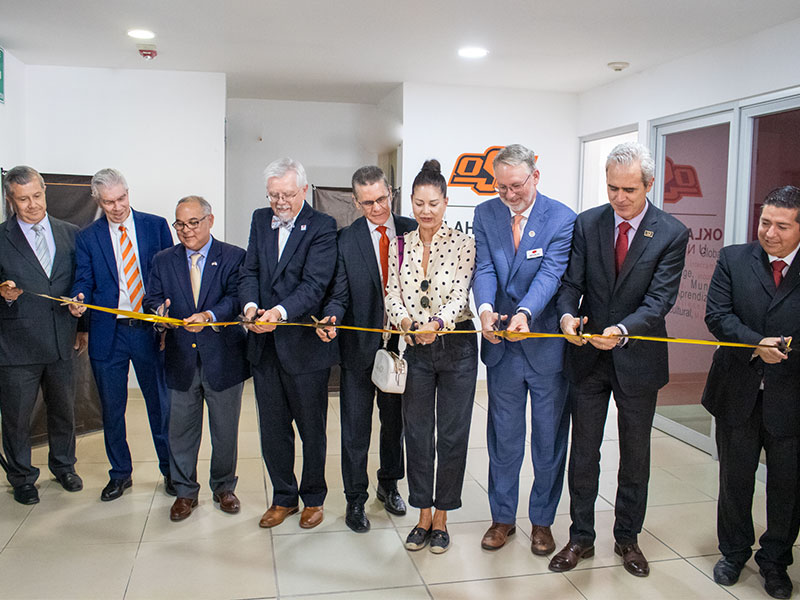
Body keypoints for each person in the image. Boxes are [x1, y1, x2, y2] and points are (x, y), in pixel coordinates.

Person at [550, 142, 689, 577]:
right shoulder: (588, 223)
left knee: (635, 456)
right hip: (588, 359)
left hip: (636, 359)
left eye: (629, 189)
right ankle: (580, 537)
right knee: (584, 453)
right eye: (612, 187)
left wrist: (622, 330)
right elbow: (571, 282)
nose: (619, 198)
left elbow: (659, 299)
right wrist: (568, 316)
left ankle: (628, 538)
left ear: (649, 185)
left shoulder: (671, 232)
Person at [472, 144, 576, 554]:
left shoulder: (562, 218)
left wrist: (525, 313)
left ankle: (542, 521)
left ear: (536, 177)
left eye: (516, 186)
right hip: (501, 347)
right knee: (504, 439)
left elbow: (551, 273)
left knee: (548, 440)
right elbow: (483, 267)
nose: (509, 194)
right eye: (501, 187)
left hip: (543, 345)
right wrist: (483, 310)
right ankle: (502, 518)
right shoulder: (486, 213)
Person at [701, 185, 800, 600]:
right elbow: (716, 316)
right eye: (764, 222)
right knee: (734, 480)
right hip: (737, 390)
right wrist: (756, 342)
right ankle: (734, 551)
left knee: (787, 485)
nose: (770, 233)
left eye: (781, 226)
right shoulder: (734, 258)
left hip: (791, 395)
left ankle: (775, 561)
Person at [239, 157, 338, 530]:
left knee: (312, 430)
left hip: (303, 347)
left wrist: (277, 314)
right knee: (273, 429)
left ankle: (313, 498)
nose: (280, 202)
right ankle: (284, 497)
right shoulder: (259, 220)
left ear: (304, 191)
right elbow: (250, 270)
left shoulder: (323, 226)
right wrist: (250, 308)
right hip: (264, 349)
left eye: (287, 195)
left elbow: (314, 285)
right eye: (273, 195)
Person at [385, 159, 477, 554]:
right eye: (419, 203)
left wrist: (436, 323)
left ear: (446, 202)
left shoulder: (463, 243)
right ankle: (422, 513)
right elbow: (391, 291)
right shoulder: (401, 242)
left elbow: (460, 294)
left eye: (434, 203)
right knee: (418, 433)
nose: (426, 210)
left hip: (455, 346)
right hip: (415, 352)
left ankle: (442, 515)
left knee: (452, 435)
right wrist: (405, 321)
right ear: (410, 201)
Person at [316, 166, 415, 533]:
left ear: (391, 192)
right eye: (368, 202)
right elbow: (339, 293)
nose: (377, 208)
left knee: (395, 426)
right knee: (355, 429)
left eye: (382, 199)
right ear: (355, 201)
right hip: (358, 350)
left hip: (402, 350)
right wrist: (330, 317)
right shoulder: (346, 240)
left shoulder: (411, 230)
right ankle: (355, 499)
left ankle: (389, 485)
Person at [70, 168, 174, 501]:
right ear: (98, 201)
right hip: (109, 333)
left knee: (159, 404)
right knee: (112, 409)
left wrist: (167, 315)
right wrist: (79, 300)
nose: (117, 207)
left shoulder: (155, 226)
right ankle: (120, 474)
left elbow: (169, 274)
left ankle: (171, 471)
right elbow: (83, 280)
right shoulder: (88, 237)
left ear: (129, 192)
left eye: (122, 198)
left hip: (147, 330)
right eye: (109, 202)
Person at [143, 196, 250, 521]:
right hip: (180, 359)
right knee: (181, 431)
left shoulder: (233, 256)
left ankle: (223, 487)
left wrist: (209, 314)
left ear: (210, 221)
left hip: (223, 358)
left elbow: (236, 298)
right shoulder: (163, 260)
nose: (186, 230)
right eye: (179, 224)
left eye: (193, 222)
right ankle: (185, 491)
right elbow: (153, 297)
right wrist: (158, 313)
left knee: (224, 431)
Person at [0, 165, 85, 505]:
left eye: (37, 196)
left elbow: (82, 285)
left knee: (64, 410)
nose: (32, 205)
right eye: (23, 199)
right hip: (16, 345)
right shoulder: (1, 237)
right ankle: (22, 477)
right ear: (11, 201)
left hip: (62, 340)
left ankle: (64, 466)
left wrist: (82, 328)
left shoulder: (71, 233)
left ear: (45, 191)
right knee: (17, 417)